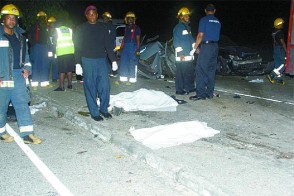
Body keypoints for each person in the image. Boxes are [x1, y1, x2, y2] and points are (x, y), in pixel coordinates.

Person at [0, 4, 42, 144]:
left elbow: (27, 57)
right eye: (9, 18)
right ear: (3, 19)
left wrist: (27, 69)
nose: (12, 21)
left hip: (18, 75)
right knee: (1, 107)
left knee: (22, 104)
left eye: (14, 18)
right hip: (3, 76)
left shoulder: (21, 37)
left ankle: (28, 135)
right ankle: (1, 132)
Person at [74, 5, 118, 121]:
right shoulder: (81, 28)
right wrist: (77, 63)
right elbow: (77, 47)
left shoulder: (103, 27)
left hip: (101, 60)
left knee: (104, 86)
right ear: (86, 15)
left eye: (94, 13)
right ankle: (94, 112)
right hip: (87, 61)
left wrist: (113, 60)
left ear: (97, 15)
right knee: (90, 86)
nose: (92, 16)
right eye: (90, 14)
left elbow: (108, 45)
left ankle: (104, 109)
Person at [189, 4, 221, 101]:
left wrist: (194, 48)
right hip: (215, 47)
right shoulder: (218, 22)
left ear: (205, 10)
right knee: (211, 70)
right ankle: (209, 93)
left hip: (206, 47)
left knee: (201, 70)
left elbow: (200, 35)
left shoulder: (204, 20)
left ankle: (200, 94)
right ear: (214, 11)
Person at [173, 7, 195, 95]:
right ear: (181, 17)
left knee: (189, 72)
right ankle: (179, 90)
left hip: (189, 56)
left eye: (188, 16)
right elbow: (176, 42)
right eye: (186, 16)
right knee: (180, 74)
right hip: (182, 56)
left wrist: (196, 48)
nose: (188, 17)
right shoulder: (178, 28)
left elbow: (191, 40)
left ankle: (190, 87)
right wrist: (181, 53)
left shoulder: (187, 28)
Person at [117, 11, 141, 85]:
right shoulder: (126, 28)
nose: (130, 20)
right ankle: (123, 79)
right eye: (128, 18)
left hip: (133, 47)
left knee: (132, 63)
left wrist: (137, 50)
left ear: (134, 19)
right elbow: (124, 38)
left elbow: (138, 39)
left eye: (131, 18)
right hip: (126, 47)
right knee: (123, 62)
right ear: (126, 19)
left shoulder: (137, 28)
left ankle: (132, 80)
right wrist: (121, 47)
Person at [28, 11, 50, 88]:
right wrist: (33, 45)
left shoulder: (46, 26)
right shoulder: (35, 26)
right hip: (37, 46)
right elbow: (29, 36)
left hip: (43, 46)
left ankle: (44, 82)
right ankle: (35, 83)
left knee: (44, 64)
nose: (43, 19)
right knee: (36, 64)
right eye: (42, 17)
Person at [53, 21, 75, 91]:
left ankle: (61, 87)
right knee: (69, 69)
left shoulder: (57, 30)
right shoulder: (70, 30)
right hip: (70, 51)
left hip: (61, 51)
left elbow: (54, 41)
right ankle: (70, 85)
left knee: (61, 70)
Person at [267, 18, 287, 85]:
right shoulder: (280, 32)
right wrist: (286, 51)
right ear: (279, 24)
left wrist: (274, 51)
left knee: (277, 65)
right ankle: (272, 74)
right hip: (280, 49)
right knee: (283, 64)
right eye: (281, 24)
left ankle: (279, 79)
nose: (282, 25)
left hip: (276, 49)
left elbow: (274, 43)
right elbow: (282, 42)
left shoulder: (274, 32)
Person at [102, 11, 117, 76]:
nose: (104, 19)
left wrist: (109, 46)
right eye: (103, 18)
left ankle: (114, 71)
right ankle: (109, 71)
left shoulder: (111, 26)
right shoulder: (102, 26)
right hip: (103, 45)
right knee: (104, 58)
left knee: (111, 59)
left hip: (109, 45)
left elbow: (113, 37)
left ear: (108, 19)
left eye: (105, 18)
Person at [47, 16, 59, 83]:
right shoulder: (47, 29)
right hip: (51, 48)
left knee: (53, 62)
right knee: (52, 62)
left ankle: (54, 77)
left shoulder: (55, 30)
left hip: (52, 48)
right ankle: (53, 77)